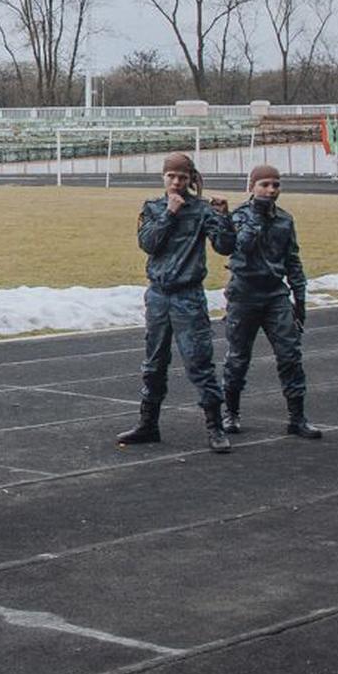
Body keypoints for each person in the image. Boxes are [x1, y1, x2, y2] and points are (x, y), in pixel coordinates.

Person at [117, 152, 237, 452]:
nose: (176, 182)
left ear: (189, 179)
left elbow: (225, 247)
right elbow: (148, 243)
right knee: (154, 362)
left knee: (199, 361)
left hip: (188, 295)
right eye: (171, 176)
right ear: (163, 177)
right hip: (158, 294)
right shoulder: (153, 207)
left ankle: (215, 427)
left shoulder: (201, 210)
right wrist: (169, 213)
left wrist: (224, 217)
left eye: (182, 177)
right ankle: (148, 424)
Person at [224, 165, 322, 439]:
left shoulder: (285, 220)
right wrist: (256, 214)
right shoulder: (239, 216)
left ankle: (297, 417)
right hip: (243, 295)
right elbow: (241, 246)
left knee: (290, 355)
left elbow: (292, 260)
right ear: (252, 186)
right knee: (237, 358)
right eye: (265, 184)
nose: (271, 190)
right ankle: (230, 413)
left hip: (275, 295)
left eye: (276, 185)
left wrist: (299, 300)